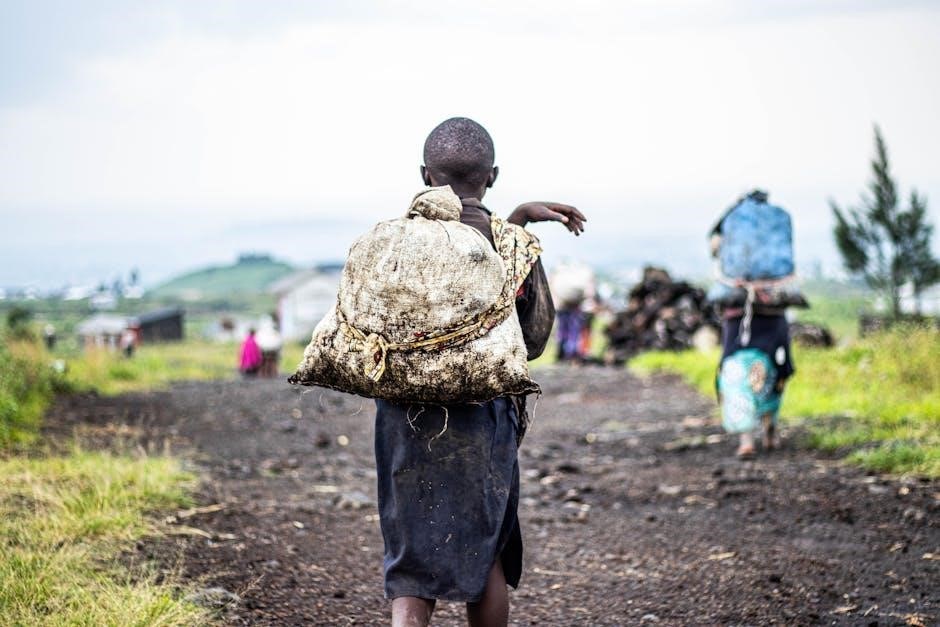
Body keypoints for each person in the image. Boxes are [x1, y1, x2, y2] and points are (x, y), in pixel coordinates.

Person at [374, 117, 584, 627]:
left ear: (425, 176)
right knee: (485, 547)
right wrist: (515, 224)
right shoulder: (511, 247)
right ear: (492, 176)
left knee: (412, 557)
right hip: (484, 419)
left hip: (405, 417)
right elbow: (532, 339)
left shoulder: (396, 242)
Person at [710, 191, 795, 459]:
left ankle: (746, 440)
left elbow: (715, 249)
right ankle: (770, 429)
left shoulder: (729, 221)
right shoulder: (776, 221)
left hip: (737, 319)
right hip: (773, 316)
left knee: (734, 374)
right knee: (775, 372)